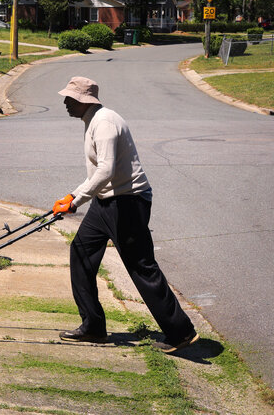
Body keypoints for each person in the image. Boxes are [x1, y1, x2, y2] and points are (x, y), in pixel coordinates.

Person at [51, 76, 199, 354]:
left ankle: (180, 331)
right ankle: (93, 327)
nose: (65, 103)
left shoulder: (105, 122)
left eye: (70, 99)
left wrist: (74, 198)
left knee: (141, 266)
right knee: (81, 252)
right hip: (106, 201)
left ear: (84, 100)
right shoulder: (92, 120)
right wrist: (80, 197)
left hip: (128, 202)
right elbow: (104, 174)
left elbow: (105, 169)